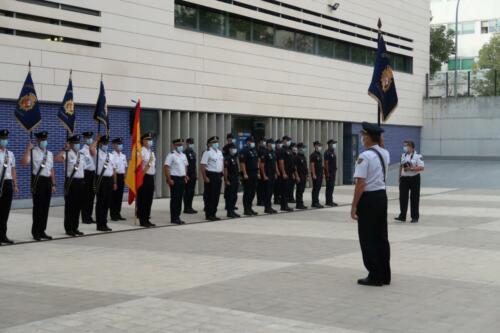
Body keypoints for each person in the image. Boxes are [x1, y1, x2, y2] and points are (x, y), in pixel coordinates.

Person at [350, 122, 391, 287]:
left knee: (367, 238)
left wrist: (354, 206)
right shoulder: (385, 153)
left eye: (363, 135)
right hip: (381, 196)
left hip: (369, 199)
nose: (362, 137)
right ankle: (384, 274)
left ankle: (374, 275)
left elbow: (360, 184)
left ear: (367, 137)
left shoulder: (364, 156)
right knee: (381, 237)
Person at [21, 131, 56, 241]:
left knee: (45, 208)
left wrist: (53, 183)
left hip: (47, 181)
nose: (44, 142)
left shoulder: (49, 153)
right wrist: (28, 149)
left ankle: (42, 231)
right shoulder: (33, 152)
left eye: (45, 140)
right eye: (42, 140)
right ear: (37, 140)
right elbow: (24, 163)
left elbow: (51, 169)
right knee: (38, 207)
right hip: (38, 181)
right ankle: (35, 231)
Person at [55, 135, 86, 236]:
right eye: (75, 143)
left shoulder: (81, 155)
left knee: (78, 206)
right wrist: (65, 149)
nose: (77, 144)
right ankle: (69, 229)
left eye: (78, 143)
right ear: (71, 144)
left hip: (80, 182)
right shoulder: (67, 153)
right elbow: (58, 159)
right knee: (70, 206)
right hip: (71, 182)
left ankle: (75, 227)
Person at [395, 140, 424, 223]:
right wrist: (399, 176)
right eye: (404, 145)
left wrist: (411, 169)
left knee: (414, 198)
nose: (405, 147)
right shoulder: (403, 155)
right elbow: (401, 166)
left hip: (414, 178)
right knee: (402, 197)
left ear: (411, 147)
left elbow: (422, 168)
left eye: (406, 146)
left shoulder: (418, 156)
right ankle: (402, 216)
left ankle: (414, 217)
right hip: (404, 179)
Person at [93, 135, 117, 232]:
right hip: (101, 180)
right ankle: (100, 224)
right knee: (101, 203)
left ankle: (104, 223)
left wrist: (115, 182)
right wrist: (96, 140)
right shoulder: (97, 153)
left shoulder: (111, 155)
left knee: (107, 203)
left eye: (107, 143)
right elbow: (91, 149)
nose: (106, 145)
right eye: (104, 143)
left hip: (109, 180)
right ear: (100, 144)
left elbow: (113, 169)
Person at [164, 138, 188, 225]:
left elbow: (185, 166)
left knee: (180, 198)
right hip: (175, 179)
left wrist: (185, 175)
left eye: (181, 145)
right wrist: (169, 179)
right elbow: (166, 167)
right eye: (178, 145)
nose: (180, 146)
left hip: (182, 178)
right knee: (175, 199)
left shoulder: (183, 155)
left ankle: (178, 216)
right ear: (174, 146)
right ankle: (174, 218)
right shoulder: (171, 155)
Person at [0, 129, 18, 245]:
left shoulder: (10, 154)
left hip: (7, 183)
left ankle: (3, 235)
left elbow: (13, 169)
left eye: (6, 139)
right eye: (2, 139)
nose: (5, 141)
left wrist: (15, 184)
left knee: (5, 212)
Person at [200, 136, 224, 221]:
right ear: (210, 144)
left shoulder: (220, 152)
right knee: (210, 195)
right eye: (214, 142)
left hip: (218, 175)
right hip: (210, 175)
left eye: (217, 142)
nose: (216, 144)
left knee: (216, 196)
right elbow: (202, 166)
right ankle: (209, 214)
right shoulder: (207, 152)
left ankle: (213, 213)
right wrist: (205, 177)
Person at [137, 132, 156, 227]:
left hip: (151, 177)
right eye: (148, 139)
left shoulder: (151, 152)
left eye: (150, 139)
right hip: (143, 177)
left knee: (149, 200)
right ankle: (142, 220)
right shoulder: (141, 151)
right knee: (143, 200)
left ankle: (147, 219)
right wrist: (141, 176)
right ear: (143, 141)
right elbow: (138, 167)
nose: (150, 141)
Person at [80, 131, 96, 224]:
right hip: (86, 174)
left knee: (91, 197)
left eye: (91, 137)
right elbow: (86, 164)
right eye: (87, 138)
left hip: (93, 174)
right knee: (85, 197)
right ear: (84, 139)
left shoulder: (94, 149)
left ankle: (89, 216)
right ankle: (85, 217)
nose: (90, 139)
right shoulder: (82, 151)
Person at [110, 138, 127, 221]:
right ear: (113, 145)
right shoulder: (112, 156)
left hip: (121, 177)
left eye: (120, 143)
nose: (120, 145)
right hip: (115, 177)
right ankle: (113, 215)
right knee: (114, 197)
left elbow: (125, 167)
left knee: (119, 197)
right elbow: (113, 170)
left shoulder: (123, 156)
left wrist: (125, 177)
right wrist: (114, 182)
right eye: (118, 144)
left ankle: (118, 213)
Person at [260, 138, 278, 214]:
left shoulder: (273, 152)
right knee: (267, 192)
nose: (273, 144)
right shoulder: (265, 153)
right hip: (267, 175)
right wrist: (264, 175)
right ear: (268, 144)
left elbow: (275, 163)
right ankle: (267, 208)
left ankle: (269, 206)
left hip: (272, 175)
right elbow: (262, 165)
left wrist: (276, 172)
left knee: (271, 192)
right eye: (272, 143)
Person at [223, 142, 240, 218]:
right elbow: (225, 170)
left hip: (235, 178)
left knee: (234, 196)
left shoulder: (233, 157)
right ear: (229, 149)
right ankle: (229, 211)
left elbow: (236, 169)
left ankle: (232, 210)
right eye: (233, 148)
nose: (234, 150)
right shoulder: (227, 158)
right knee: (230, 196)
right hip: (230, 178)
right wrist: (226, 180)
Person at [277, 136, 294, 212]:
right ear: (284, 141)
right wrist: (283, 172)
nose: (289, 142)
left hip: (289, 172)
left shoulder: (289, 150)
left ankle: (285, 204)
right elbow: (281, 162)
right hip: (285, 173)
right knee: (284, 189)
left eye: (289, 140)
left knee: (288, 190)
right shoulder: (281, 150)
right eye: (288, 140)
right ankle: (283, 206)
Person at [183, 138, 197, 214]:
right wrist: (185, 175)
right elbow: (184, 165)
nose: (191, 144)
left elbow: (194, 165)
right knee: (187, 192)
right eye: (190, 143)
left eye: (192, 143)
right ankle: (186, 208)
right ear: (187, 144)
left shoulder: (193, 153)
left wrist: (195, 174)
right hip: (188, 175)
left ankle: (190, 207)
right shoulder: (184, 153)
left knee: (191, 192)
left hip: (193, 174)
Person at [324, 139, 338, 207]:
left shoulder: (333, 152)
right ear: (330, 144)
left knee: (331, 187)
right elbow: (326, 163)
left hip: (333, 172)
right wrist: (327, 173)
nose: (335, 145)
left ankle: (330, 200)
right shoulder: (327, 152)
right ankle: (328, 201)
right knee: (329, 187)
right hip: (329, 172)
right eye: (333, 143)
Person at [310, 141, 324, 208]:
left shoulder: (320, 154)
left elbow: (321, 165)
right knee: (315, 189)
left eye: (320, 145)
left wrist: (323, 173)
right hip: (316, 174)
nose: (320, 147)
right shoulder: (313, 155)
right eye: (318, 145)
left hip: (320, 174)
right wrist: (314, 174)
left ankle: (317, 201)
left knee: (318, 188)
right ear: (315, 146)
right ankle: (314, 202)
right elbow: (312, 165)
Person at [294, 142, 308, 210]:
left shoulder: (303, 156)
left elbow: (305, 167)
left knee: (302, 190)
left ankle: (301, 203)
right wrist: (297, 176)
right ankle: (298, 204)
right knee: (299, 190)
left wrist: (307, 175)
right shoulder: (297, 157)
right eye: (303, 147)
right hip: (299, 175)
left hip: (304, 175)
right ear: (299, 148)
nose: (304, 149)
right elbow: (295, 168)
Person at [256, 137, 267, 206]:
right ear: (259, 143)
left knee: (264, 187)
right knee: (260, 187)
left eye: (264, 141)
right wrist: (259, 172)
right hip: (261, 170)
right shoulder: (258, 150)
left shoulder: (265, 150)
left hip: (265, 170)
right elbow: (258, 162)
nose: (264, 142)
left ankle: (263, 199)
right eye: (262, 141)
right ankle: (260, 201)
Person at [273, 139, 282, 205]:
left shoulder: (280, 151)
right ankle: (276, 199)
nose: (279, 144)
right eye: (278, 143)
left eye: (280, 143)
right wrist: (276, 171)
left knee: (280, 186)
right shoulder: (275, 152)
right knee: (276, 186)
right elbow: (275, 162)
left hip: (281, 170)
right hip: (277, 170)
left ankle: (279, 197)